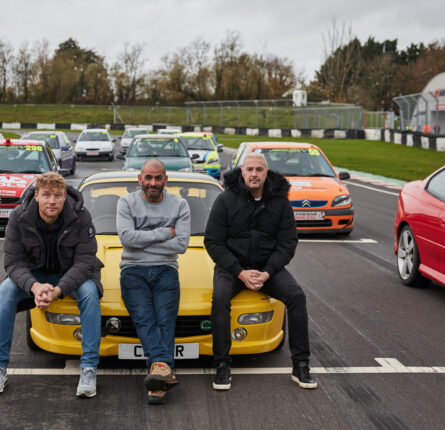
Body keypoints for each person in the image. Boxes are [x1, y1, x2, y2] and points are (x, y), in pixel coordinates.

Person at [204, 153, 318, 391]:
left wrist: (267, 272)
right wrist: (240, 273)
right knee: (220, 298)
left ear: (267, 173)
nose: (254, 174)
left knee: (297, 297)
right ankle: (222, 364)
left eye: (259, 169)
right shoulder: (225, 199)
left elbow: (288, 243)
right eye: (249, 169)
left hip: (268, 268)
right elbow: (213, 242)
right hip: (232, 268)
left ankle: (300, 365)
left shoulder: (280, 201)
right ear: (241, 172)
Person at [0, 172, 103, 398]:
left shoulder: (81, 216)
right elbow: (12, 262)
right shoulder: (18, 218)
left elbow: (86, 262)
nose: (52, 201)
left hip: (69, 274)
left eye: (58, 195)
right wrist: (35, 286)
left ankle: (88, 368)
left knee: (89, 292)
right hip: (35, 275)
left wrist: (57, 290)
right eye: (46, 195)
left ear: (65, 196)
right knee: (6, 291)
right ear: (36, 195)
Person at [116, 159, 190, 405]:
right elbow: (127, 239)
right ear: (140, 179)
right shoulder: (126, 202)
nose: (153, 183)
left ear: (165, 180)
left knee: (165, 319)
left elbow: (181, 245)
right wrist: (164, 232)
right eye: (148, 177)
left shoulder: (180, 204)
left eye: (158, 178)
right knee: (144, 317)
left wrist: (142, 239)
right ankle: (162, 370)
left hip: (166, 269)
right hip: (133, 270)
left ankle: (158, 375)